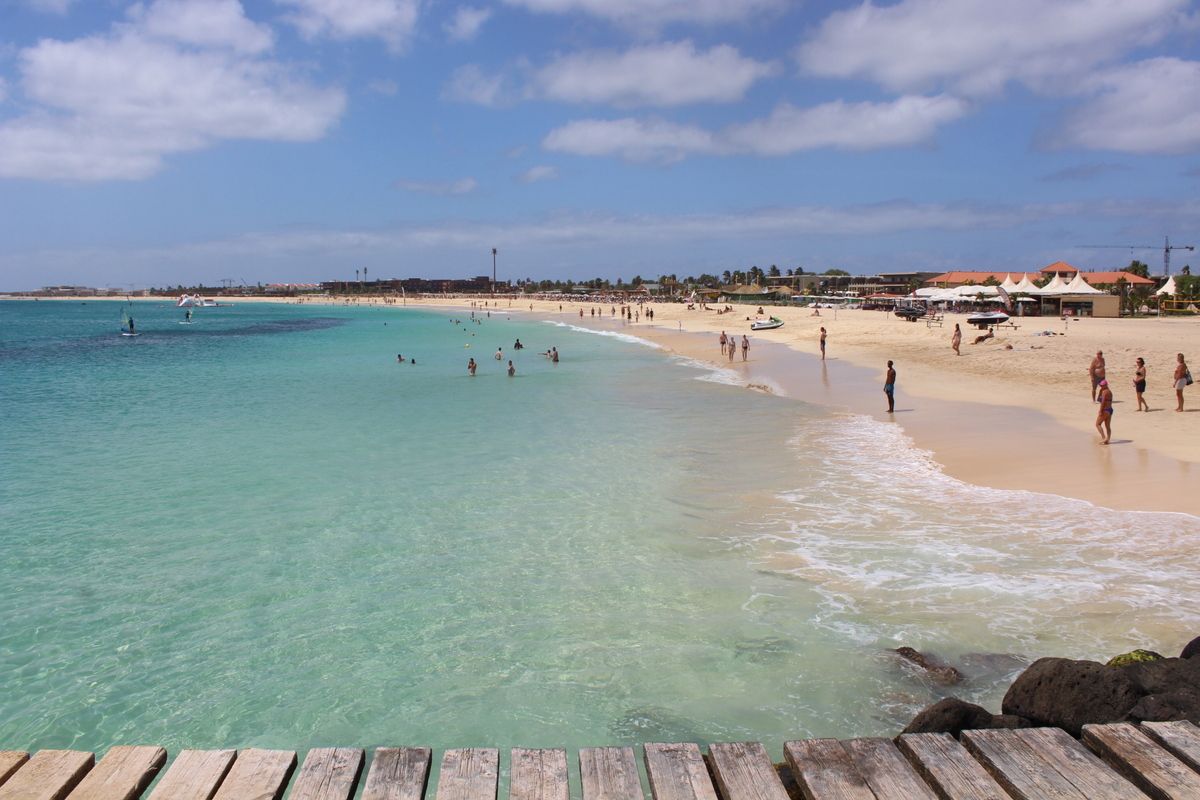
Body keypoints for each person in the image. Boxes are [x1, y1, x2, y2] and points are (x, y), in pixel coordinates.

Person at [1096, 379, 1113, 444]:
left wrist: (1100, 410)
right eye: (1101, 385)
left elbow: (1102, 402)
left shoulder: (1104, 392)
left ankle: (1104, 438)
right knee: (1107, 426)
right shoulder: (1109, 391)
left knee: (1097, 424)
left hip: (1105, 410)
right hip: (1110, 410)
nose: (1101, 387)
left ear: (1106, 385)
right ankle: (1107, 439)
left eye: (1102, 385)